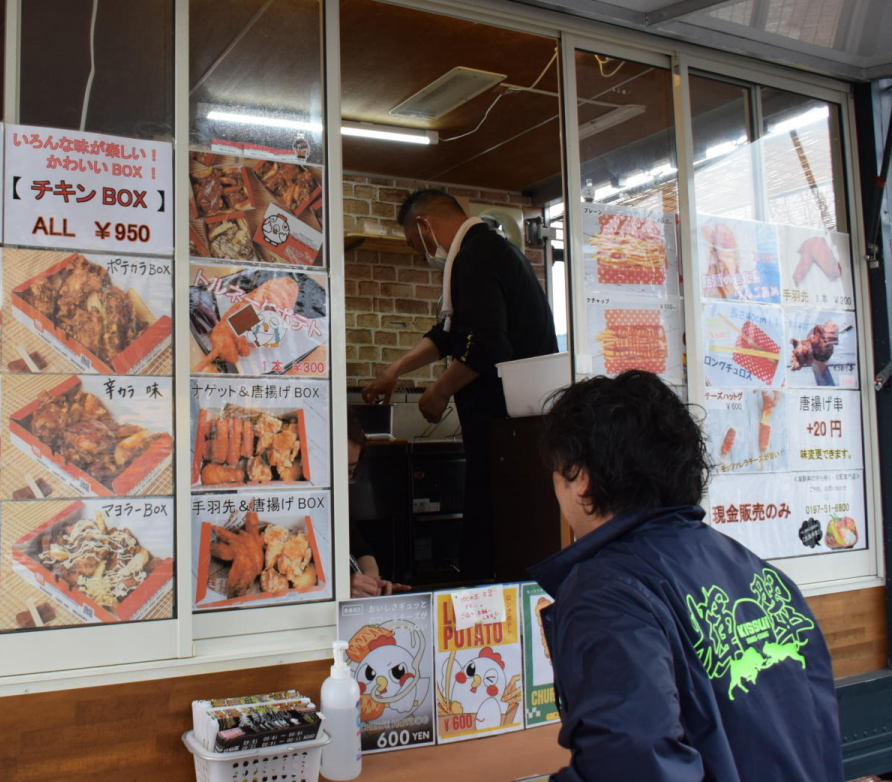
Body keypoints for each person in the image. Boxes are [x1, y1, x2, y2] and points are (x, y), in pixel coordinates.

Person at [530, 371, 842, 782]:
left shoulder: (605, 594)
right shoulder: (762, 577)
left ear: (581, 480)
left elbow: (634, 767)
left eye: (556, 474)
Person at [362, 189, 557, 579]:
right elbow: (450, 334)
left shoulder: (476, 255)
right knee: (491, 531)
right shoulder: (482, 251)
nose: (419, 253)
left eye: (413, 243)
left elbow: (488, 343)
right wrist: (396, 369)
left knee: (495, 541)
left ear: (424, 225)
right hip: (509, 431)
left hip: (509, 430)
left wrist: (439, 390)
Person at [346, 415, 409, 598]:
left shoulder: (338, 511)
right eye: (333, 470)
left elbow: (361, 550)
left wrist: (371, 583)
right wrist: (341, 587)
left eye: (350, 471)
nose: (342, 482)